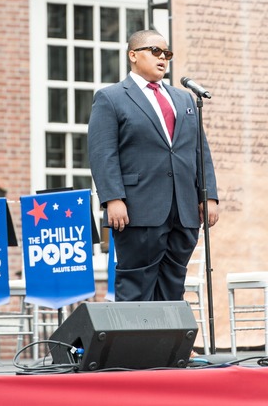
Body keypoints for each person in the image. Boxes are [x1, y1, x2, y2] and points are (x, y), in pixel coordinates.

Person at [88, 29, 219, 302]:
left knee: (173, 285)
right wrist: (113, 198)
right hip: (139, 209)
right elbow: (103, 153)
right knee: (136, 286)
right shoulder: (111, 97)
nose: (163, 58)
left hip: (182, 211)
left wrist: (208, 197)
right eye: (155, 51)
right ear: (133, 55)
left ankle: (169, 346)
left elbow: (199, 150)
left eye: (167, 53)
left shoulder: (184, 99)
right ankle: (133, 346)